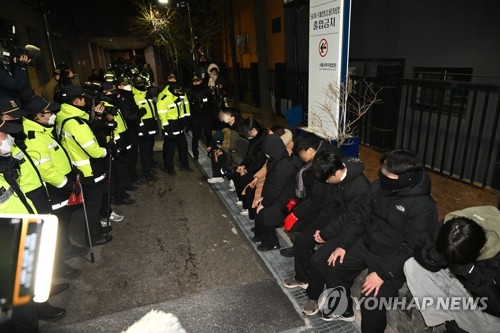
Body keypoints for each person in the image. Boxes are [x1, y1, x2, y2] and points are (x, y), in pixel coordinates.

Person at [310, 149, 439, 333]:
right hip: (368, 243)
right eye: (383, 168)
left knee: (371, 299)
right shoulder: (379, 187)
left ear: (404, 176)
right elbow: (359, 218)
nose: (382, 173)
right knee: (335, 265)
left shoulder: (423, 206)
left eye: (387, 172)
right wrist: (343, 245)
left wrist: (383, 274)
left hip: (393, 256)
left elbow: (412, 246)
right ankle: (343, 309)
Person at [283, 151, 370, 291]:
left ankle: (315, 295)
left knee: (318, 260)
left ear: (336, 173)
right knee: (302, 241)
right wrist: (319, 227)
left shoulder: (360, 188)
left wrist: (325, 234)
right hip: (335, 219)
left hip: (351, 227)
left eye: (327, 180)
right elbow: (329, 206)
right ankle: (302, 278)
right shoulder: (334, 172)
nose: (326, 183)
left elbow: (349, 218)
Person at [404, 205, 500, 333]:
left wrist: (472, 274)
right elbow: (420, 251)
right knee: (412, 266)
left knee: (494, 328)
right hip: (455, 281)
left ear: (481, 249)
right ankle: (443, 323)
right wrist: (437, 255)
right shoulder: (454, 226)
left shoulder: (495, 256)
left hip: (479, 294)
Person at [55, 85, 112, 246]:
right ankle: (93, 237)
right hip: (89, 170)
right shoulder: (76, 124)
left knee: (92, 204)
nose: (85, 100)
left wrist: (98, 118)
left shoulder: (63, 117)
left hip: (77, 168)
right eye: (82, 98)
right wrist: (106, 151)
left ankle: (96, 230)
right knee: (93, 205)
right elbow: (93, 150)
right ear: (75, 101)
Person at [279, 132, 341, 257]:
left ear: (311, 150)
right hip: (311, 199)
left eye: (301, 153)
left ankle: (302, 249)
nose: (300, 156)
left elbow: (318, 198)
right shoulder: (313, 158)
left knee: (297, 226)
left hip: (323, 205)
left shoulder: (321, 163)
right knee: (289, 214)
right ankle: (299, 247)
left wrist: (296, 213)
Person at [253, 134, 298, 252]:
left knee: (265, 212)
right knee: (259, 207)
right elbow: (269, 182)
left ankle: (272, 243)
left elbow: (277, 188)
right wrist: (262, 197)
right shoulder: (274, 159)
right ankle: (261, 235)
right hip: (276, 193)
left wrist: (265, 202)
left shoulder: (285, 164)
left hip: (285, 196)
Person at [157, 72, 192, 175]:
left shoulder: (179, 94)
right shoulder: (163, 98)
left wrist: (186, 121)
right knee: (169, 150)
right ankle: (169, 168)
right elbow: (162, 115)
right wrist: (167, 129)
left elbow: (182, 108)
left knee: (183, 147)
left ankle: (185, 165)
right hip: (170, 125)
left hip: (179, 124)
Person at [232, 118, 267, 206]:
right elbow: (248, 154)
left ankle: (247, 205)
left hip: (259, 169)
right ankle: (241, 198)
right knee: (235, 173)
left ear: (254, 129)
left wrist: (248, 170)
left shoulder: (263, 139)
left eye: (247, 132)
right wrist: (243, 165)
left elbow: (261, 160)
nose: (246, 135)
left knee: (244, 178)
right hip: (252, 165)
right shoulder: (255, 137)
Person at [206, 107, 245, 183]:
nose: (224, 116)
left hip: (238, 152)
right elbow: (218, 136)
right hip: (230, 149)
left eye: (226, 115)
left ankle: (232, 180)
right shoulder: (225, 124)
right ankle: (218, 176)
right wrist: (217, 148)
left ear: (233, 117)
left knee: (223, 156)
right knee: (215, 151)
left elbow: (236, 147)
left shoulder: (239, 129)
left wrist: (223, 151)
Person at [132, 75, 159, 181]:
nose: (142, 85)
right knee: (144, 150)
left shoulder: (147, 93)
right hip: (142, 128)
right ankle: (146, 172)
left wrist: (156, 123)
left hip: (151, 124)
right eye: (139, 84)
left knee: (150, 147)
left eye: (142, 83)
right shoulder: (133, 96)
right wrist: (140, 128)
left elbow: (152, 109)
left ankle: (150, 164)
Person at [187, 73, 212, 161]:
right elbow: (188, 106)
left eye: (197, 81)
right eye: (194, 81)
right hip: (196, 117)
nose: (196, 83)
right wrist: (189, 120)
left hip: (206, 116)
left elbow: (212, 103)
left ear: (201, 81)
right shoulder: (190, 92)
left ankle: (210, 152)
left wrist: (212, 115)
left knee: (208, 135)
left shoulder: (207, 90)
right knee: (195, 136)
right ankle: (195, 155)